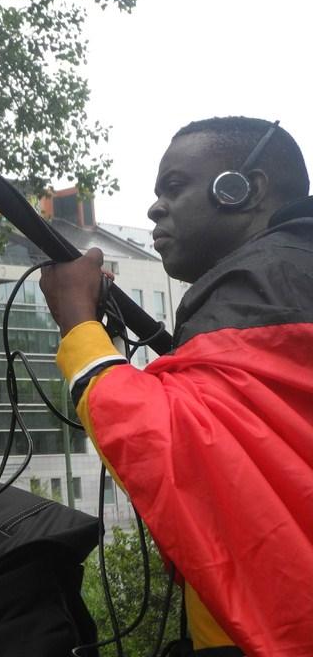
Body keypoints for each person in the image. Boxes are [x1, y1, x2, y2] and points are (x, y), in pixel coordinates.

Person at [39, 116, 313, 656]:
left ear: (243, 189)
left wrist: (77, 324)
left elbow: (179, 453)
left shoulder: (263, 278)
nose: (154, 208)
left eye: (175, 187)